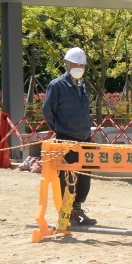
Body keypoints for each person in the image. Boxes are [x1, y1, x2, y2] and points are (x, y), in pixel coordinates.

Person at [42, 47, 96, 226]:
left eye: (81, 65)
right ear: (67, 64)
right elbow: (48, 110)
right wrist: (58, 130)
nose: (79, 67)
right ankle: (66, 212)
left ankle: (78, 210)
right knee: (67, 177)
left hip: (85, 139)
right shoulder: (56, 85)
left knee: (85, 174)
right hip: (66, 138)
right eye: (75, 64)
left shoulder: (82, 87)